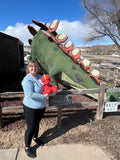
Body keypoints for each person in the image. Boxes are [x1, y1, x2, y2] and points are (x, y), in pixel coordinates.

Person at [21, 59, 48, 158]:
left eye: (36, 66)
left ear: (38, 68)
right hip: (30, 107)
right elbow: (30, 94)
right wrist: (45, 96)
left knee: (37, 123)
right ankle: (27, 147)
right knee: (31, 126)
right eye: (31, 66)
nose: (34, 68)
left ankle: (35, 138)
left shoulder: (40, 77)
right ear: (28, 68)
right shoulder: (27, 79)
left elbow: (47, 84)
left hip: (41, 107)